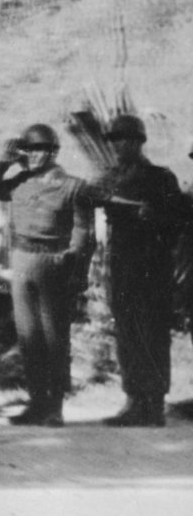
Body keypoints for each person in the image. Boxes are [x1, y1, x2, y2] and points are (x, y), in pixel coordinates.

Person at [0, 123, 94, 426]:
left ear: (54, 152)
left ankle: (54, 406)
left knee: (55, 337)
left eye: (40, 149)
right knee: (28, 336)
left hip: (54, 261)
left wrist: (79, 271)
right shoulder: (19, 182)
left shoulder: (72, 185)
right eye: (28, 149)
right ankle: (37, 402)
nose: (33, 155)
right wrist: (4, 161)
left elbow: (84, 233)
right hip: (22, 259)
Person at [92, 113, 189, 427]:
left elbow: (179, 222)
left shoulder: (160, 178)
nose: (120, 145)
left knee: (152, 333)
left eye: (125, 139)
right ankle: (134, 399)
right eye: (115, 140)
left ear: (138, 142)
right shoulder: (109, 178)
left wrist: (153, 216)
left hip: (152, 267)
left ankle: (154, 403)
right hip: (121, 265)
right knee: (126, 331)